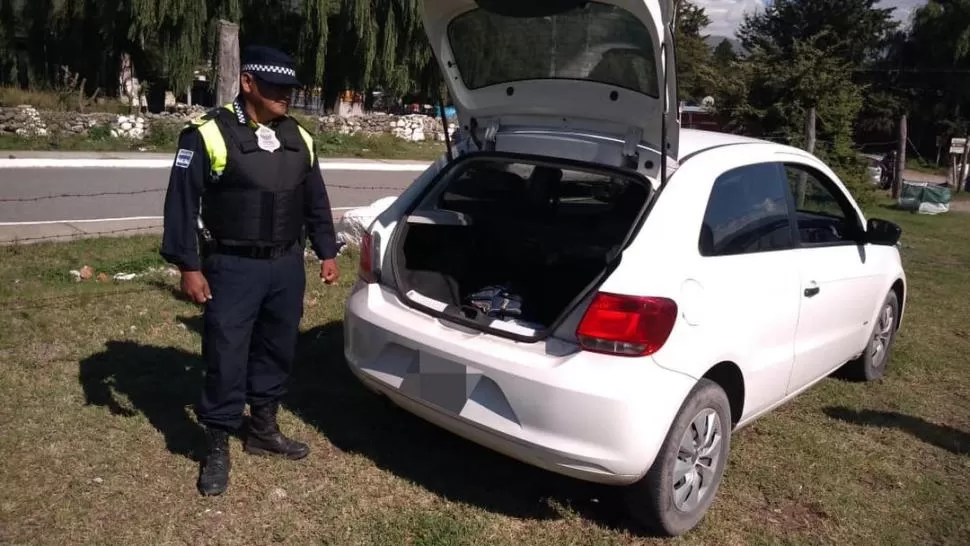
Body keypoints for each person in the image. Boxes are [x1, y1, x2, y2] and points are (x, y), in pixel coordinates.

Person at [159, 45, 340, 497]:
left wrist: (327, 249)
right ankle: (217, 443)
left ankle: (262, 429)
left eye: (290, 89)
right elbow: (181, 205)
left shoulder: (299, 136)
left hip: (285, 264)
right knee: (226, 352)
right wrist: (188, 265)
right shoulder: (208, 134)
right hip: (232, 266)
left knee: (277, 346)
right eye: (276, 87)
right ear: (248, 83)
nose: (286, 96)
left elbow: (314, 198)